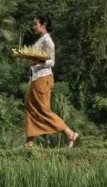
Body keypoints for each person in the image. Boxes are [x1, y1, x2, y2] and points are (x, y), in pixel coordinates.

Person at [23, 15, 79, 149]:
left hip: (43, 78)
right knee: (30, 108)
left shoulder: (48, 41)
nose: (33, 26)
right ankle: (29, 143)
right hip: (36, 78)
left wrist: (37, 61)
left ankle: (70, 133)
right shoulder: (40, 40)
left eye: (35, 24)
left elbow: (51, 62)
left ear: (43, 25)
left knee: (43, 110)